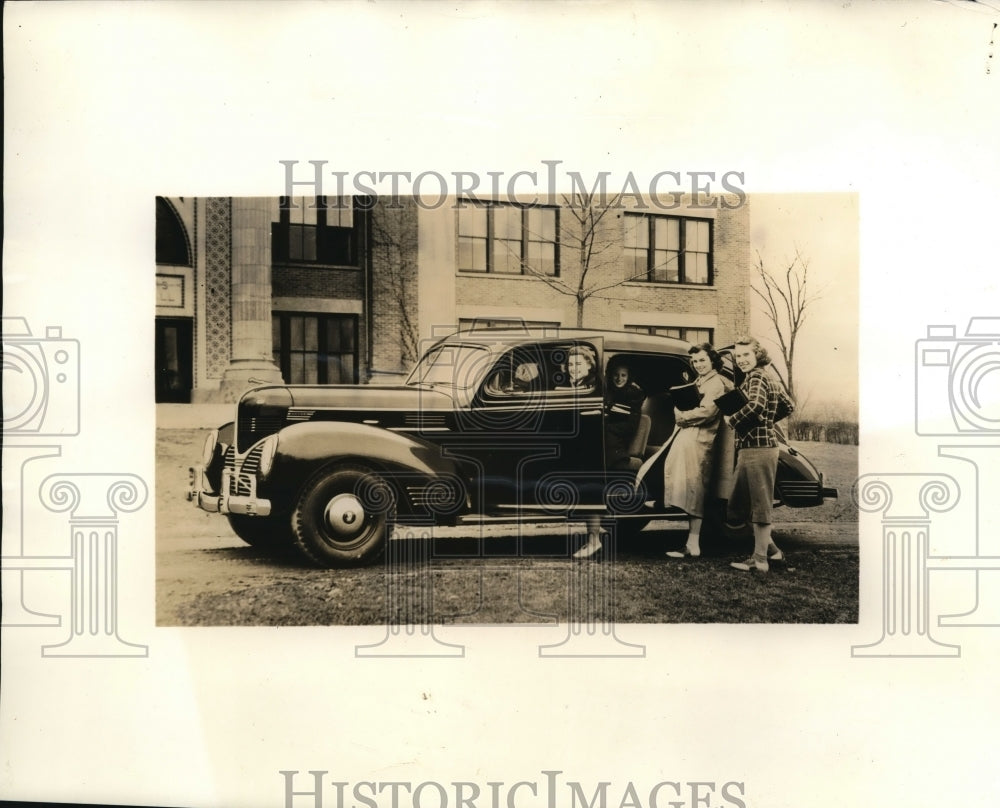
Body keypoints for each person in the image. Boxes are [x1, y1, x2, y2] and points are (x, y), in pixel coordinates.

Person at [725, 335, 792, 572]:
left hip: (758, 449)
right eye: (738, 355)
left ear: (757, 355)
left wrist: (732, 420)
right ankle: (772, 553)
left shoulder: (755, 376)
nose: (741, 360)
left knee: (759, 506)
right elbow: (788, 405)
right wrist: (766, 422)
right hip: (757, 446)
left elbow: (755, 406)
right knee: (739, 507)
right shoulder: (767, 376)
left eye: (746, 355)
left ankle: (760, 560)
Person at [663, 344, 733, 558]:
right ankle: (691, 542)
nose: (698, 364)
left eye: (702, 360)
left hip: (700, 438)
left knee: (694, 486)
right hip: (689, 435)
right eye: (695, 361)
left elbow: (707, 412)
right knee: (689, 484)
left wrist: (681, 416)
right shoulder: (700, 381)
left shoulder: (716, 383)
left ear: (712, 360)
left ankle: (693, 544)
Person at [565, 345, 606, 559]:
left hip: (591, 447)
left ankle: (594, 540)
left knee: (589, 490)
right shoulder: (572, 385)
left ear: (589, 365)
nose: (573, 368)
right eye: (570, 364)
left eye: (578, 364)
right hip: (577, 444)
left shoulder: (593, 386)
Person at [603, 363, 646, 469]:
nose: (619, 379)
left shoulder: (634, 395)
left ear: (628, 377)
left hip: (619, 440)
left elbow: (631, 426)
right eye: (615, 375)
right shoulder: (606, 391)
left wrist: (606, 428)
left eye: (623, 375)